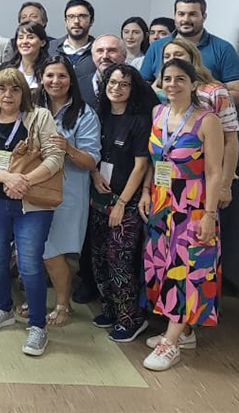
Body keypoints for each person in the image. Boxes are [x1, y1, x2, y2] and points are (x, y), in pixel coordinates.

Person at [0, 68, 64, 357]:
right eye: (2, 89)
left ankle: (37, 325)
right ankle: (3, 308)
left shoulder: (40, 117)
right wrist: (7, 178)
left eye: (14, 89)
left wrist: (25, 181)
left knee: (30, 263)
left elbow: (55, 156)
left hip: (31, 204)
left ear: (24, 93)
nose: (7, 95)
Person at [140, 58, 224, 371]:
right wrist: (148, 190)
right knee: (161, 267)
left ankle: (170, 343)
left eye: (180, 79)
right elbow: (154, 160)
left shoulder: (207, 121)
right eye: (167, 79)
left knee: (187, 269)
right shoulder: (158, 113)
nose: (172, 85)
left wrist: (209, 215)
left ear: (193, 84)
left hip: (193, 204)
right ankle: (183, 331)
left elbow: (215, 172)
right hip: (162, 202)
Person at [89, 63, 157, 343]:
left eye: (124, 84)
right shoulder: (100, 114)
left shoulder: (139, 120)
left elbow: (141, 165)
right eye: (113, 83)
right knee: (99, 258)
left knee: (120, 259)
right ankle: (111, 310)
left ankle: (131, 318)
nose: (117, 89)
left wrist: (122, 203)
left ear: (133, 89)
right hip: (99, 198)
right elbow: (91, 151)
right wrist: (93, 174)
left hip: (125, 203)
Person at [32, 57, 101, 327]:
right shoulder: (31, 108)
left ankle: (63, 304)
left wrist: (67, 148)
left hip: (66, 194)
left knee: (53, 250)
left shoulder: (84, 114)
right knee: (33, 249)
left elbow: (91, 160)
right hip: (31, 189)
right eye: (50, 75)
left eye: (61, 76)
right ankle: (39, 299)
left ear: (71, 80)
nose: (55, 81)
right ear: (41, 78)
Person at [154, 37, 239, 209]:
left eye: (179, 54)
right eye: (167, 55)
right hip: (165, 183)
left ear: (192, 57)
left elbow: (230, 140)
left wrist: (225, 184)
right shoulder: (164, 93)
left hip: (201, 181)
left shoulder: (216, 91)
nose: (173, 59)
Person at [141, 0, 239, 107]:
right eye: (181, 14)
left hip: (206, 120)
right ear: (175, 16)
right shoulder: (157, 46)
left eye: (192, 14)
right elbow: (142, 88)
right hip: (160, 118)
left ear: (204, 16)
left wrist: (196, 97)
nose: (186, 19)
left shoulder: (223, 48)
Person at [47, 0, 97, 104]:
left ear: (91, 21)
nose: (76, 21)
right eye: (71, 16)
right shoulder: (50, 49)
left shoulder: (100, 52)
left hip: (90, 113)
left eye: (82, 16)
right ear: (65, 21)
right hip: (53, 112)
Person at [2, 21, 51, 90]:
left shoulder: (49, 69)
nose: (24, 42)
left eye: (30, 37)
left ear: (42, 42)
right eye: (21, 38)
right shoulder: (5, 69)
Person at [85, 34, 125, 108]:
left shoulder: (136, 85)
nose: (105, 56)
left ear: (124, 56)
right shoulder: (78, 86)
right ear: (93, 56)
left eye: (112, 51)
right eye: (100, 51)